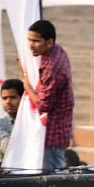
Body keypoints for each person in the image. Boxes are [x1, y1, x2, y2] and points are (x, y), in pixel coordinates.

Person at [21, 20, 73, 170]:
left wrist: (27, 86)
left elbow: (44, 105)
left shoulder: (52, 69)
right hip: (58, 129)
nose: (31, 45)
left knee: (51, 179)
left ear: (49, 42)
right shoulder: (56, 52)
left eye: (36, 41)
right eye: (29, 40)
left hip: (53, 134)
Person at [0, 78, 23, 159]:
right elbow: (7, 148)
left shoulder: (34, 121)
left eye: (13, 97)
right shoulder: (0, 123)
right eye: (4, 98)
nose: (8, 102)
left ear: (23, 98)